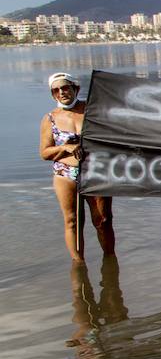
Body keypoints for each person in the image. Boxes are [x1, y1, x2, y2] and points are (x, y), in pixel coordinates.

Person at [37, 72, 114, 263]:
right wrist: (65, 148)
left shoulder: (92, 111)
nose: (62, 92)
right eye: (56, 90)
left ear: (75, 89)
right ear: (53, 95)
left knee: (103, 220)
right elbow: (45, 153)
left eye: (65, 87)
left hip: (95, 171)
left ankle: (110, 264)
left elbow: (111, 138)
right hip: (65, 174)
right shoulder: (50, 119)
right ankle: (79, 265)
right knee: (72, 222)